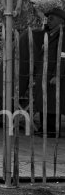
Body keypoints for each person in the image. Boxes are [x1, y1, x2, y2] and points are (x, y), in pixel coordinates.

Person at [33, 8, 65, 137]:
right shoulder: (50, 34)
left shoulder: (62, 35)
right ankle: (44, 128)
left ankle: (50, 130)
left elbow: (63, 57)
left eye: (52, 19)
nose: (49, 21)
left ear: (60, 20)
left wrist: (58, 75)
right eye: (48, 19)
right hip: (44, 73)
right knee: (43, 101)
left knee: (51, 103)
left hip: (52, 74)